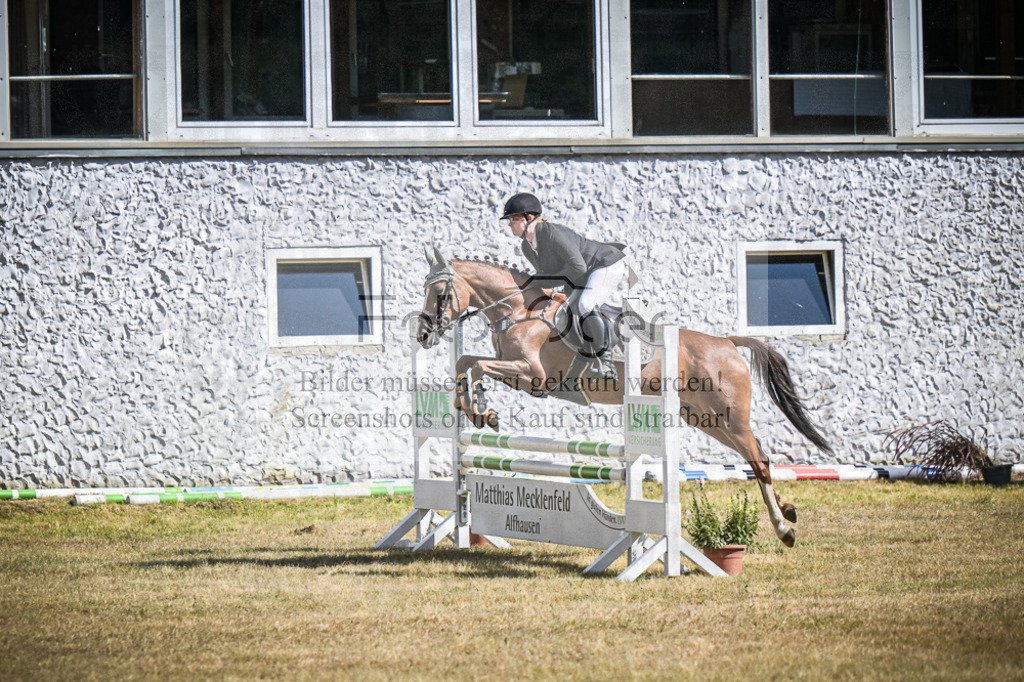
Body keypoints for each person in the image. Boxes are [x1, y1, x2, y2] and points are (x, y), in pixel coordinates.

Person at [501, 192, 627, 380]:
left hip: (604, 264)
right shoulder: (527, 247)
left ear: (529, 218)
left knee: (586, 304)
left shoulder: (552, 233)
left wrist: (536, 280)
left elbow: (577, 266)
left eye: (513, 218)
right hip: (581, 276)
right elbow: (548, 277)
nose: (510, 223)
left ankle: (606, 361)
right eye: (509, 219)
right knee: (562, 310)